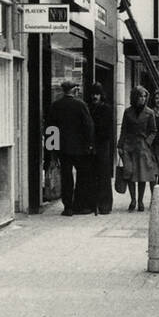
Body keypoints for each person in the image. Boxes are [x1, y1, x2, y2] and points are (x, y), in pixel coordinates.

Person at [45, 80, 94, 216]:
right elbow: (88, 126)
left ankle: (68, 207)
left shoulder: (56, 106)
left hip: (62, 149)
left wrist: (52, 150)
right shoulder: (81, 105)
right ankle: (79, 205)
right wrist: (89, 144)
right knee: (82, 176)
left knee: (66, 177)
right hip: (80, 149)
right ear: (74, 90)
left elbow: (50, 128)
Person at [118, 86, 159, 211]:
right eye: (140, 96)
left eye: (144, 96)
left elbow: (153, 131)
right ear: (134, 97)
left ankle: (141, 201)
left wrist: (147, 142)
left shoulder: (149, 112)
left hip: (142, 147)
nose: (142, 99)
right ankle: (133, 200)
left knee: (141, 175)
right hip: (129, 146)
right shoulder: (127, 112)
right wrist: (120, 145)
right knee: (130, 174)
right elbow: (124, 129)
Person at [88, 83, 114, 215]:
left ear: (101, 95)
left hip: (103, 145)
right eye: (93, 94)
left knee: (103, 174)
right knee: (93, 175)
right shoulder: (89, 108)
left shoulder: (106, 109)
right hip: (93, 144)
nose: (94, 97)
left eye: (97, 94)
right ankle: (94, 203)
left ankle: (105, 205)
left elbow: (107, 129)